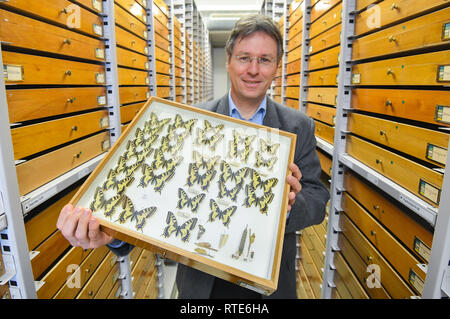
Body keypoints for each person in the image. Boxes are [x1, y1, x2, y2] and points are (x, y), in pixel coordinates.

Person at [56, 14, 329, 299]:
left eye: (264, 60)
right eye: (244, 57)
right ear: (229, 60)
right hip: (201, 284)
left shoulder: (298, 127)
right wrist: (112, 235)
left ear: (276, 67)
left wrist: (288, 207)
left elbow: (317, 198)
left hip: (267, 283)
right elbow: (153, 196)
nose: (253, 70)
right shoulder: (188, 123)